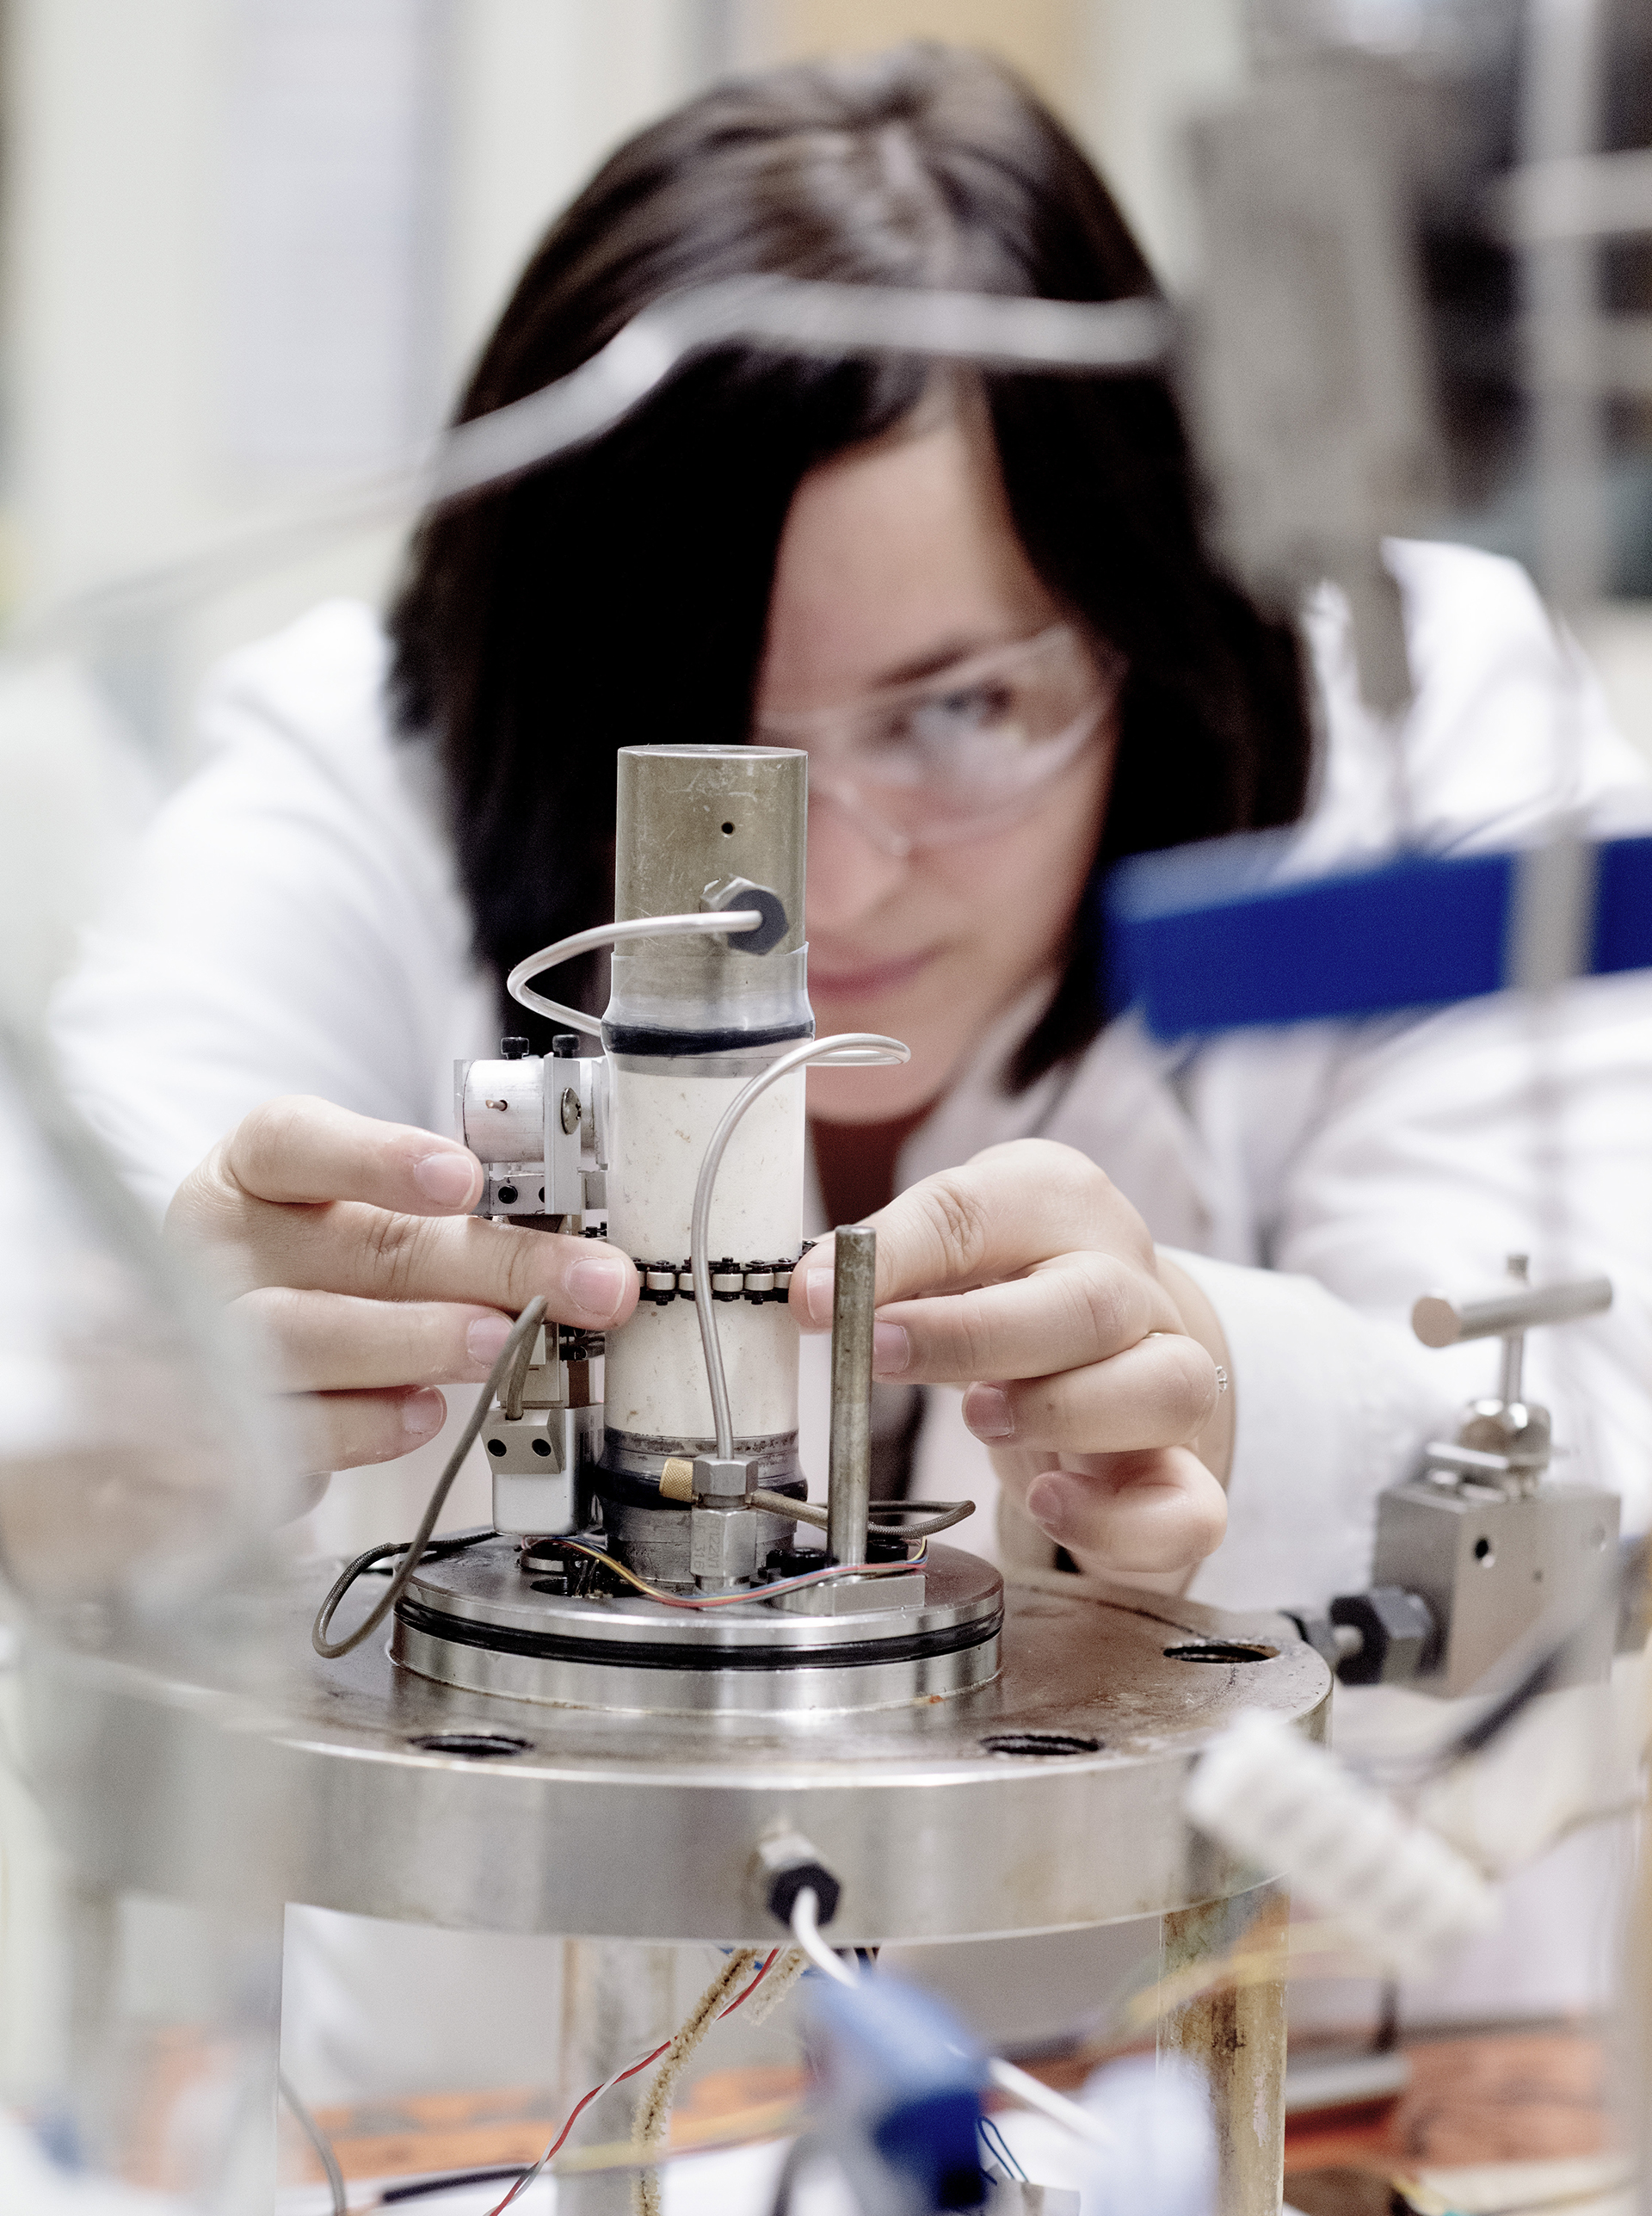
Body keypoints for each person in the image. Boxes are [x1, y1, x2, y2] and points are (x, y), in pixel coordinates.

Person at [52, 43, 1652, 2056]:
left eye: (958, 711)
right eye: (713, 750)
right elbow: (54, 1283)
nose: (813, 891)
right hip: (507, 2128)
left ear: (1137, 631)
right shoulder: (374, 760)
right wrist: (159, 1360)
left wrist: (1235, 1385)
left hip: (1285, 2086)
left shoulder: (1428, 743)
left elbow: (1602, 1421)